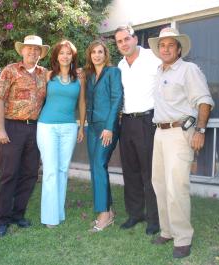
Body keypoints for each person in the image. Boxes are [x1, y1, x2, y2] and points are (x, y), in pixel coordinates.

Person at [148, 27, 214, 258]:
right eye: (162, 45)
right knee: (160, 185)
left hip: (179, 133)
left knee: (177, 187)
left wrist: (201, 130)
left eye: (170, 45)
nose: (165, 49)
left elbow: (204, 101)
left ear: (178, 49)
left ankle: (183, 238)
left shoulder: (189, 70)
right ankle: (167, 230)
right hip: (159, 132)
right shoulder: (159, 71)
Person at [0, 35, 50, 237]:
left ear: (40, 54)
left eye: (36, 50)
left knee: (30, 174)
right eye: (29, 49)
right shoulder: (10, 70)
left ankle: (18, 214)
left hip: (35, 129)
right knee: (9, 174)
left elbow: (64, 78)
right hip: (12, 127)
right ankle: (2, 219)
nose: (32, 52)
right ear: (22, 51)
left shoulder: (44, 74)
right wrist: (0, 129)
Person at [114, 25, 160, 235]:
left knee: (149, 172)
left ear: (135, 38)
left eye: (126, 39)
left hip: (148, 120)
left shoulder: (153, 56)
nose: (123, 44)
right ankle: (135, 214)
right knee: (130, 171)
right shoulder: (120, 65)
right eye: (119, 41)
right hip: (127, 122)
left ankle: (154, 219)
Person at [36, 40, 86, 228]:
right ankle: (49, 218)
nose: (65, 56)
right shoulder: (48, 76)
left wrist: (81, 127)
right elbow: (38, 99)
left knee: (63, 170)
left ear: (73, 56)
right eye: (61, 53)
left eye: (68, 53)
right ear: (56, 56)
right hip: (47, 127)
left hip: (68, 128)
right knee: (50, 170)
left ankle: (58, 212)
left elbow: (82, 103)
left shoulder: (79, 78)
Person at [84, 40, 123, 232]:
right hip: (91, 127)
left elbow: (117, 98)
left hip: (107, 127)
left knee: (99, 164)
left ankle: (104, 215)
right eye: (93, 52)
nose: (97, 55)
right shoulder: (89, 75)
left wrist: (109, 127)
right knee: (95, 167)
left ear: (105, 54)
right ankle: (107, 209)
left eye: (100, 52)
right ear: (90, 55)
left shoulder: (113, 72)